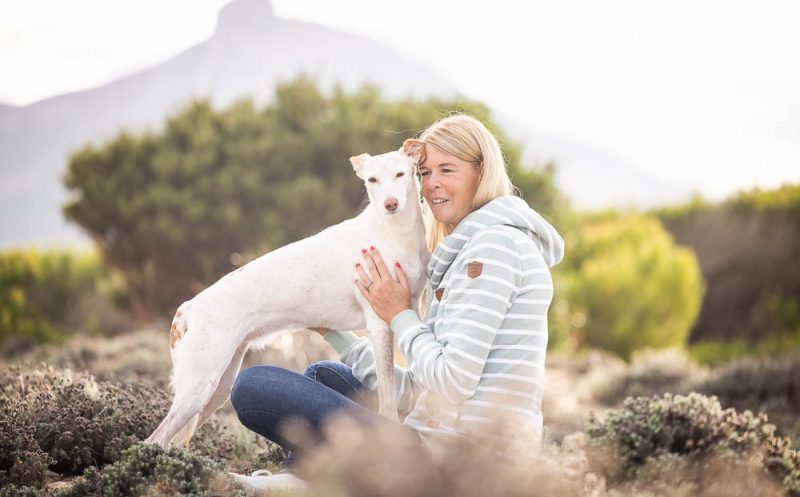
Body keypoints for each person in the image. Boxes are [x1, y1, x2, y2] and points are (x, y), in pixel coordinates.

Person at [228, 114, 565, 493]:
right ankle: (307, 482)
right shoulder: (468, 246)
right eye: (425, 172)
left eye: (447, 170)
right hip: (438, 435)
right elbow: (424, 391)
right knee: (324, 374)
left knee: (254, 386)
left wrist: (401, 313)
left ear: (481, 171)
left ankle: (309, 485)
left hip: (460, 465)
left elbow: (452, 382)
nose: (432, 184)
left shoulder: (493, 248)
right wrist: (329, 327)